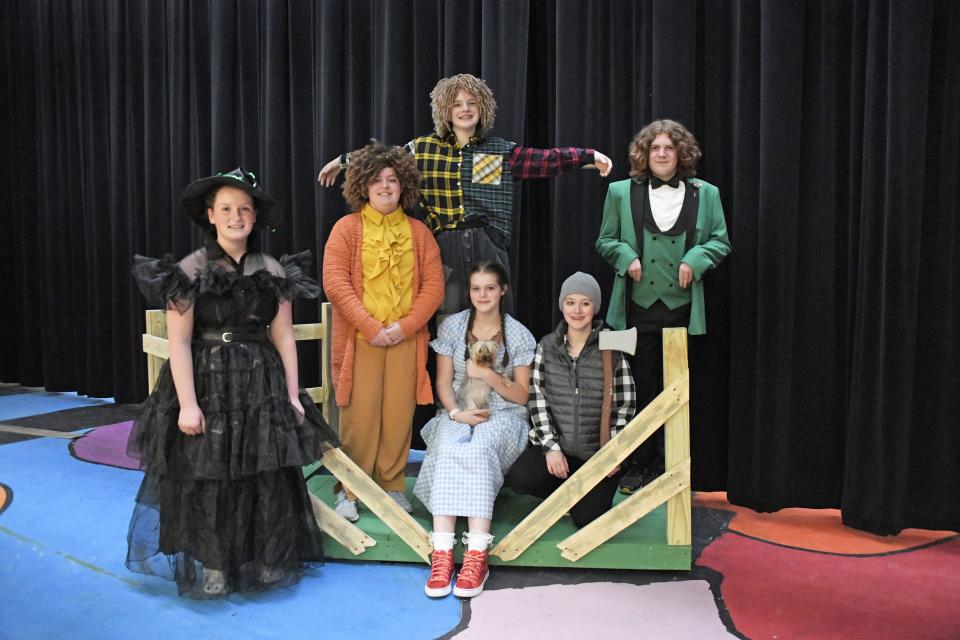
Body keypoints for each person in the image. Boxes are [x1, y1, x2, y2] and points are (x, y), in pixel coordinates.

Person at [126, 168, 339, 599]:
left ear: (255, 216)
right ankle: (214, 564)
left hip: (259, 384)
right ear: (210, 215)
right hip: (206, 383)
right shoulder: (188, 270)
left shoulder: (273, 269)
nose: (236, 216)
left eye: (244, 208)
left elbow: (282, 336)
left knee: (264, 474)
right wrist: (188, 405)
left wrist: (291, 394)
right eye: (226, 208)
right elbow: (180, 343)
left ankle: (264, 559)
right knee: (209, 475)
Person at [318, 73, 613, 315]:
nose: (465, 109)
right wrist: (342, 161)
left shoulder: (499, 151)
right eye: (457, 104)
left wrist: (589, 156)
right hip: (444, 248)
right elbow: (383, 158)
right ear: (445, 111)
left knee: (494, 323)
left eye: (472, 102)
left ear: (482, 108)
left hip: (488, 243)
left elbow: (546, 160)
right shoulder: (422, 149)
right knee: (449, 323)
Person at [595, 119, 731, 492]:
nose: (661, 153)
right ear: (645, 153)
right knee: (639, 389)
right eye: (655, 147)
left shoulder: (706, 194)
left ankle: (674, 466)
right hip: (637, 309)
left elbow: (720, 241)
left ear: (681, 153)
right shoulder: (621, 192)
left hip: (683, 309)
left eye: (669, 147)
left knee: (677, 390)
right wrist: (626, 257)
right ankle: (641, 464)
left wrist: (696, 259)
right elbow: (606, 240)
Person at [322, 143, 444, 521]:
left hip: (407, 344)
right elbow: (335, 282)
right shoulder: (347, 228)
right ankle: (350, 491)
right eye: (377, 180)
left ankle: (393, 486)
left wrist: (404, 327)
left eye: (392, 180)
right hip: (362, 342)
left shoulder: (420, 233)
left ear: (403, 185)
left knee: (397, 417)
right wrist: (372, 328)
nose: (385, 186)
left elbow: (434, 288)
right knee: (358, 419)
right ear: (363, 185)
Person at [413, 261, 535, 599]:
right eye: (476, 288)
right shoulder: (453, 327)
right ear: (469, 292)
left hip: (504, 413)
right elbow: (442, 382)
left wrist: (490, 377)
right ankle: (441, 554)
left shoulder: (519, 334)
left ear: (503, 290)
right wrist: (454, 414)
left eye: (490, 288)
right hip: (459, 410)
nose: (483, 295)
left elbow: (522, 395)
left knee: (479, 449)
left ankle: (477, 555)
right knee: (451, 446)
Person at [505, 272, 636, 527]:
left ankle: (582, 495)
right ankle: (566, 488)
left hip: (596, 455)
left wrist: (612, 454)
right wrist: (551, 448)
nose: (577, 310)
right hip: (560, 453)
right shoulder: (547, 346)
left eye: (585, 303)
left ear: (595, 307)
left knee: (586, 518)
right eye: (570, 302)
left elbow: (626, 406)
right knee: (520, 478)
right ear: (562, 306)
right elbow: (538, 399)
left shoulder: (611, 348)